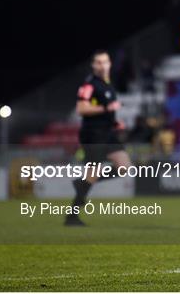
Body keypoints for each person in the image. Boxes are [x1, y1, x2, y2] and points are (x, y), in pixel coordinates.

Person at [65, 50, 132, 226]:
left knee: (124, 166)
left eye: (105, 62)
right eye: (98, 62)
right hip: (93, 133)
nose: (102, 65)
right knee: (92, 173)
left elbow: (108, 110)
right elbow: (81, 109)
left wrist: (115, 123)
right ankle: (72, 216)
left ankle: (81, 184)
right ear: (94, 65)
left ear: (109, 64)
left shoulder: (107, 84)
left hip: (108, 132)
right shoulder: (89, 85)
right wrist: (106, 108)